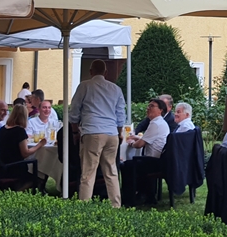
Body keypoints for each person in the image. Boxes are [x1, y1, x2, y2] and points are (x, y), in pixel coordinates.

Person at [69, 59, 126, 208]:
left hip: (92, 131)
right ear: (106, 72)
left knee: (88, 172)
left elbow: (74, 111)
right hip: (112, 133)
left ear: (91, 71)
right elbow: (121, 115)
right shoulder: (116, 89)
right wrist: (119, 133)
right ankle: (116, 205)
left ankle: (84, 206)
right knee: (111, 171)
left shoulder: (84, 86)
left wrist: (75, 131)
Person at [121, 98, 171, 206]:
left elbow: (139, 145)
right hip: (159, 159)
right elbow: (147, 138)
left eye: (152, 106)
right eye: (148, 106)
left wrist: (130, 143)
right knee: (132, 163)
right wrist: (136, 137)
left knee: (127, 165)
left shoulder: (155, 124)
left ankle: (129, 198)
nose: (148, 108)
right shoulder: (160, 123)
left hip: (154, 161)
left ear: (161, 110)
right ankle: (144, 194)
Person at [0, 104, 45, 186]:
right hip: (15, 168)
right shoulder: (19, 131)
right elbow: (25, 153)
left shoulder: (2, 129)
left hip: (1, 166)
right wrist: (40, 144)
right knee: (39, 168)